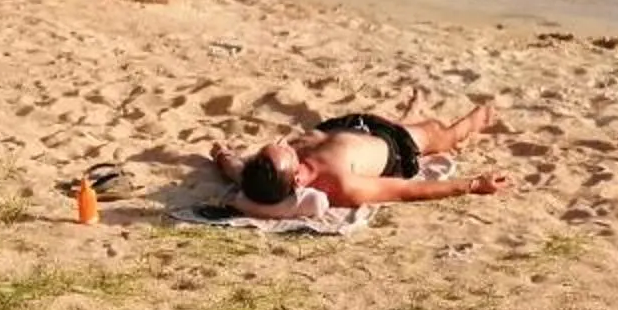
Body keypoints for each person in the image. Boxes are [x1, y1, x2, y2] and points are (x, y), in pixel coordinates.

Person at [210, 97, 508, 212]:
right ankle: (478, 118)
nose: (287, 145)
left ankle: (408, 113)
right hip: (392, 144)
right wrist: (474, 185)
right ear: (298, 178)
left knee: (409, 121)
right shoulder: (341, 184)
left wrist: (223, 156)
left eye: (282, 143)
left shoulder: (262, 173)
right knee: (439, 134)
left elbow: (237, 169)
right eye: (288, 152)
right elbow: (407, 190)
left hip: (345, 126)